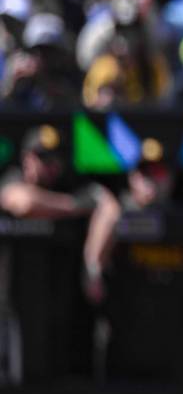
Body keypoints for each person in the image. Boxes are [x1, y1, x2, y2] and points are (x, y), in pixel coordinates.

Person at [0, 124, 122, 304]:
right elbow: (23, 203)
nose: (51, 165)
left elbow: (110, 208)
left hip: (60, 294)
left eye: (55, 158)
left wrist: (92, 264)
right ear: (27, 158)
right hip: (14, 294)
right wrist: (72, 206)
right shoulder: (14, 177)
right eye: (43, 158)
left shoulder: (68, 185)